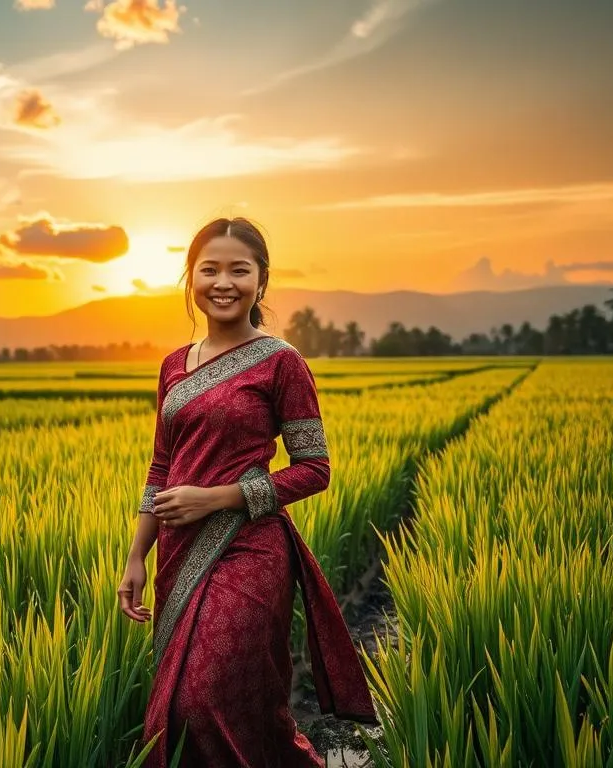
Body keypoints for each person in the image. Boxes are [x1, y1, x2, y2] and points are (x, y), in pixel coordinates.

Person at [117, 216, 379, 767]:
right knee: (177, 706)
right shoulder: (173, 366)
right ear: (191, 278)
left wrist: (215, 498)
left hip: (250, 549)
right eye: (209, 269)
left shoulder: (282, 362)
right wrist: (137, 553)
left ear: (261, 280)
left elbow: (314, 468)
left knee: (203, 699)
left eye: (240, 270)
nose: (223, 282)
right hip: (177, 551)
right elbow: (161, 465)